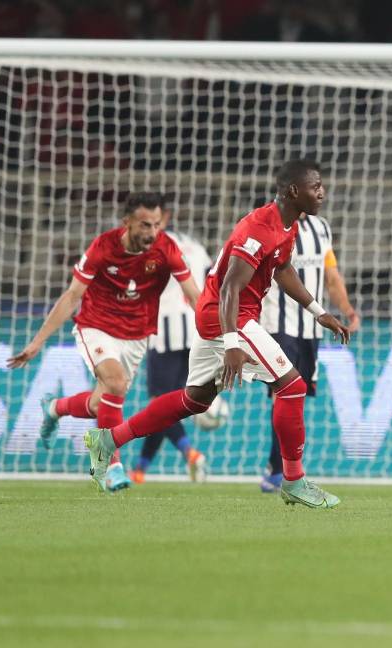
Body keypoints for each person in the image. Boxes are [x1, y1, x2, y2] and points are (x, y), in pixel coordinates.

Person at [82, 159, 352, 508]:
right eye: (316, 186)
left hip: (223, 315)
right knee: (293, 386)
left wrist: (319, 312)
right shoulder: (260, 229)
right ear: (294, 191)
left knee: (194, 400)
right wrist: (232, 343)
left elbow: (283, 269)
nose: (322, 192)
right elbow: (230, 288)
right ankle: (293, 480)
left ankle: (107, 441)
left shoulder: (288, 226)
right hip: (230, 316)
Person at [6, 192, 200, 491]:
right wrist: (37, 342)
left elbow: (195, 295)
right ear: (127, 223)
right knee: (116, 382)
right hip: (97, 326)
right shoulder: (103, 247)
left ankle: (55, 408)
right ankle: (110, 466)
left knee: (101, 403)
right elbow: (72, 295)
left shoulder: (166, 249)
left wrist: (225, 335)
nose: (151, 233)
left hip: (136, 336)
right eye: (144, 225)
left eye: (156, 225)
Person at [257, 209, 360, 492]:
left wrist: (347, 310)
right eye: (314, 187)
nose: (320, 194)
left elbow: (331, 275)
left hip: (311, 328)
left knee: (296, 397)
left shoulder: (321, 227)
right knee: (284, 392)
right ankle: (280, 471)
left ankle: (276, 467)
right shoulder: (268, 224)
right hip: (277, 323)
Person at [132, 205, 213, 484]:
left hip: (165, 332)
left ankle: (190, 454)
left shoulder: (154, 246)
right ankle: (140, 470)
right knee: (167, 407)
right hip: (194, 333)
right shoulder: (196, 247)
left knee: (159, 405)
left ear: (162, 219)